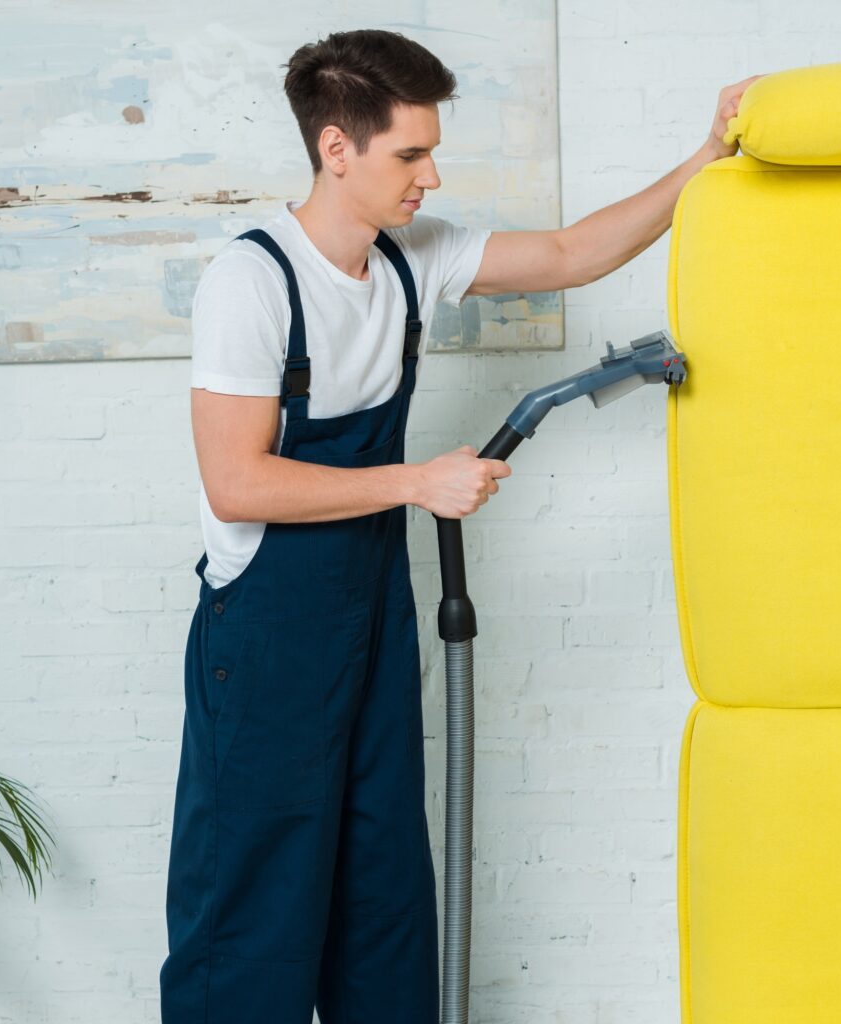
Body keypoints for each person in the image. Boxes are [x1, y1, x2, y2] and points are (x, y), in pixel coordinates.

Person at [159, 26, 760, 1023]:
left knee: (383, 893)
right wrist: (414, 482)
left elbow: (571, 253)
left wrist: (702, 162)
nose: (430, 176)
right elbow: (236, 481)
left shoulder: (408, 262)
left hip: (370, 630)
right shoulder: (252, 282)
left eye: (431, 151)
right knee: (252, 912)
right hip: (264, 647)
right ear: (336, 149)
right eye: (409, 153)